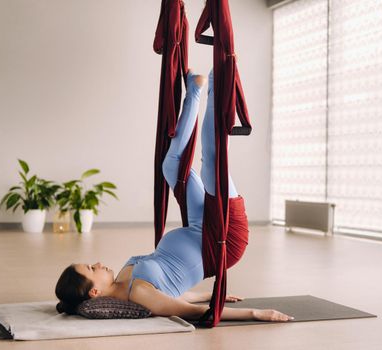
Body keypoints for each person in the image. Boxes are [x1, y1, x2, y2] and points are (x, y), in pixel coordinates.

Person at [55, 69, 294, 323]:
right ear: (95, 291)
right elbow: (187, 310)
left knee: (172, 165)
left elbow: (178, 295)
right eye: (92, 268)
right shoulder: (139, 294)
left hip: (198, 226)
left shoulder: (124, 279)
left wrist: (204, 295)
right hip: (223, 239)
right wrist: (255, 313)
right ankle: (219, 81)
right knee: (212, 163)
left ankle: (196, 88)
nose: (99, 263)